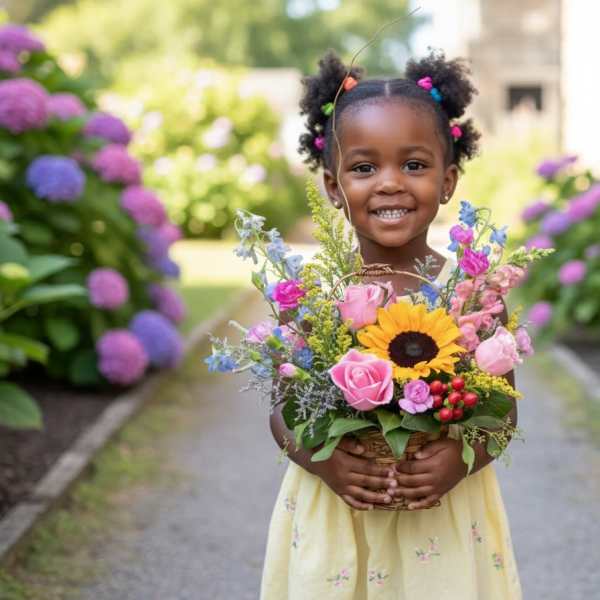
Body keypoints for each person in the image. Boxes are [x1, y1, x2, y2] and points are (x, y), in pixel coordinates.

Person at [260, 49, 521, 599]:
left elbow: (504, 412)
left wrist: (461, 459)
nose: (389, 183)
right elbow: (283, 413)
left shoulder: (474, 295)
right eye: (363, 167)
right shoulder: (311, 295)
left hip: (442, 517)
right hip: (339, 515)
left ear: (448, 181)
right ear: (333, 186)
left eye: (414, 165)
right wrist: (322, 462)